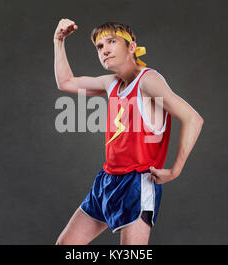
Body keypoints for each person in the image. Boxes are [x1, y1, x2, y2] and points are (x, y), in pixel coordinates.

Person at [53, 19, 204, 245]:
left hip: (136, 182)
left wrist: (175, 170)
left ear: (131, 47)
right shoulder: (111, 83)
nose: (104, 50)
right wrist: (59, 41)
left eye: (111, 42)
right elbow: (66, 82)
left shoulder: (148, 81)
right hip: (107, 179)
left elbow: (193, 118)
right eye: (100, 47)